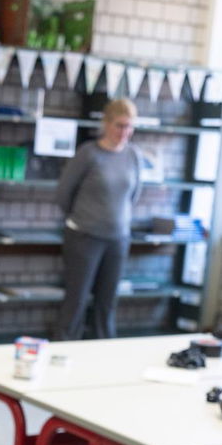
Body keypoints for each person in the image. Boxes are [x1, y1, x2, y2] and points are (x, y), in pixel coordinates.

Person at [52, 98, 142, 341]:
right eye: (119, 125)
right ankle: (64, 346)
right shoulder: (88, 153)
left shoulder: (133, 155)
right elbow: (63, 194)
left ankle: (104, 349)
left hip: (118, 239)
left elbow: (134, 195)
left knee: (107, 303)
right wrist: (85, 218)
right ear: (106, 124)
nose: (124, 132)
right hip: (84, 237)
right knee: (77, 300)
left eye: (129, 126)